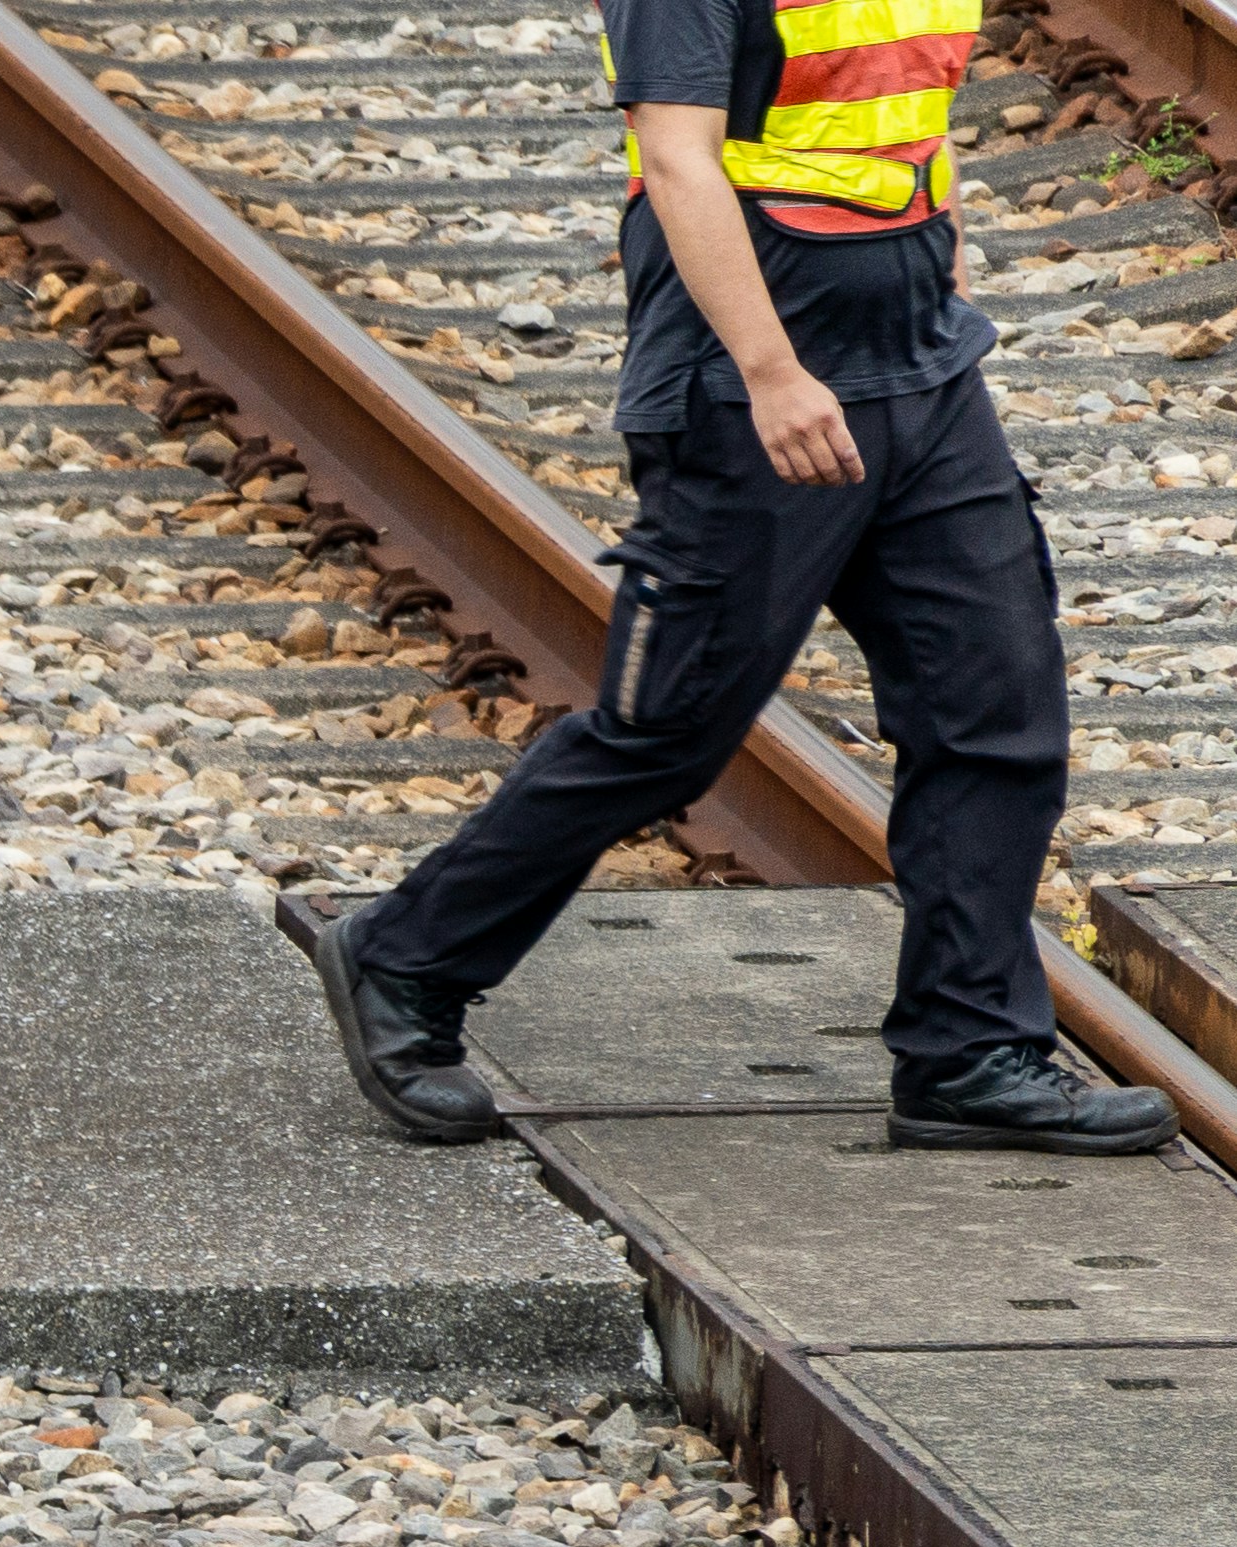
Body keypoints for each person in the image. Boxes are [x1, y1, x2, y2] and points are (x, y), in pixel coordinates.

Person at [302, 0, 1170, 1160]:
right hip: (749, 378)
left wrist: (941, 270)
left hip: (922, 366)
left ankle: (968, 1050)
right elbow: (676, 158)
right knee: (669, 727)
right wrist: (771, 372)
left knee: (996, 706)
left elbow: (906, 120)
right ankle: (408, 956)